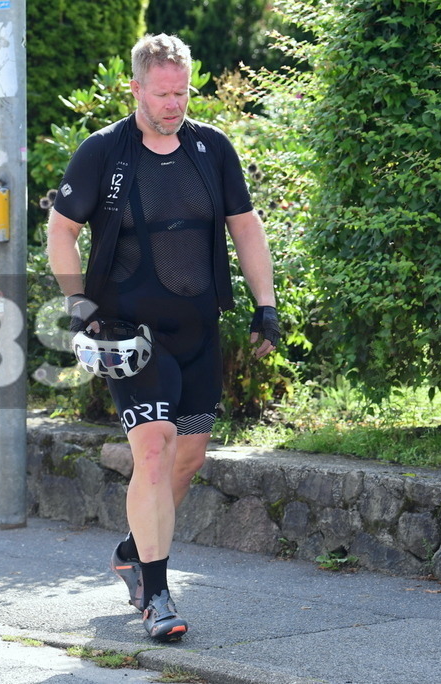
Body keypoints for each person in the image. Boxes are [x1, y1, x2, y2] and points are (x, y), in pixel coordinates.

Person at [46, 33, 280, 641]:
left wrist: (266, 305)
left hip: (199, 329)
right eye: (163, 93)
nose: (175, 103)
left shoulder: (211, 148)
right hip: (130, 335)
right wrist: (78, 302)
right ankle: (156, 598)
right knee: (152, 450)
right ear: (137, 89)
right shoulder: (104, 152)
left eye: (182, 91)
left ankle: (132, 548)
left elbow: (246, 228)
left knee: (190, 456)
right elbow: (61, 231)